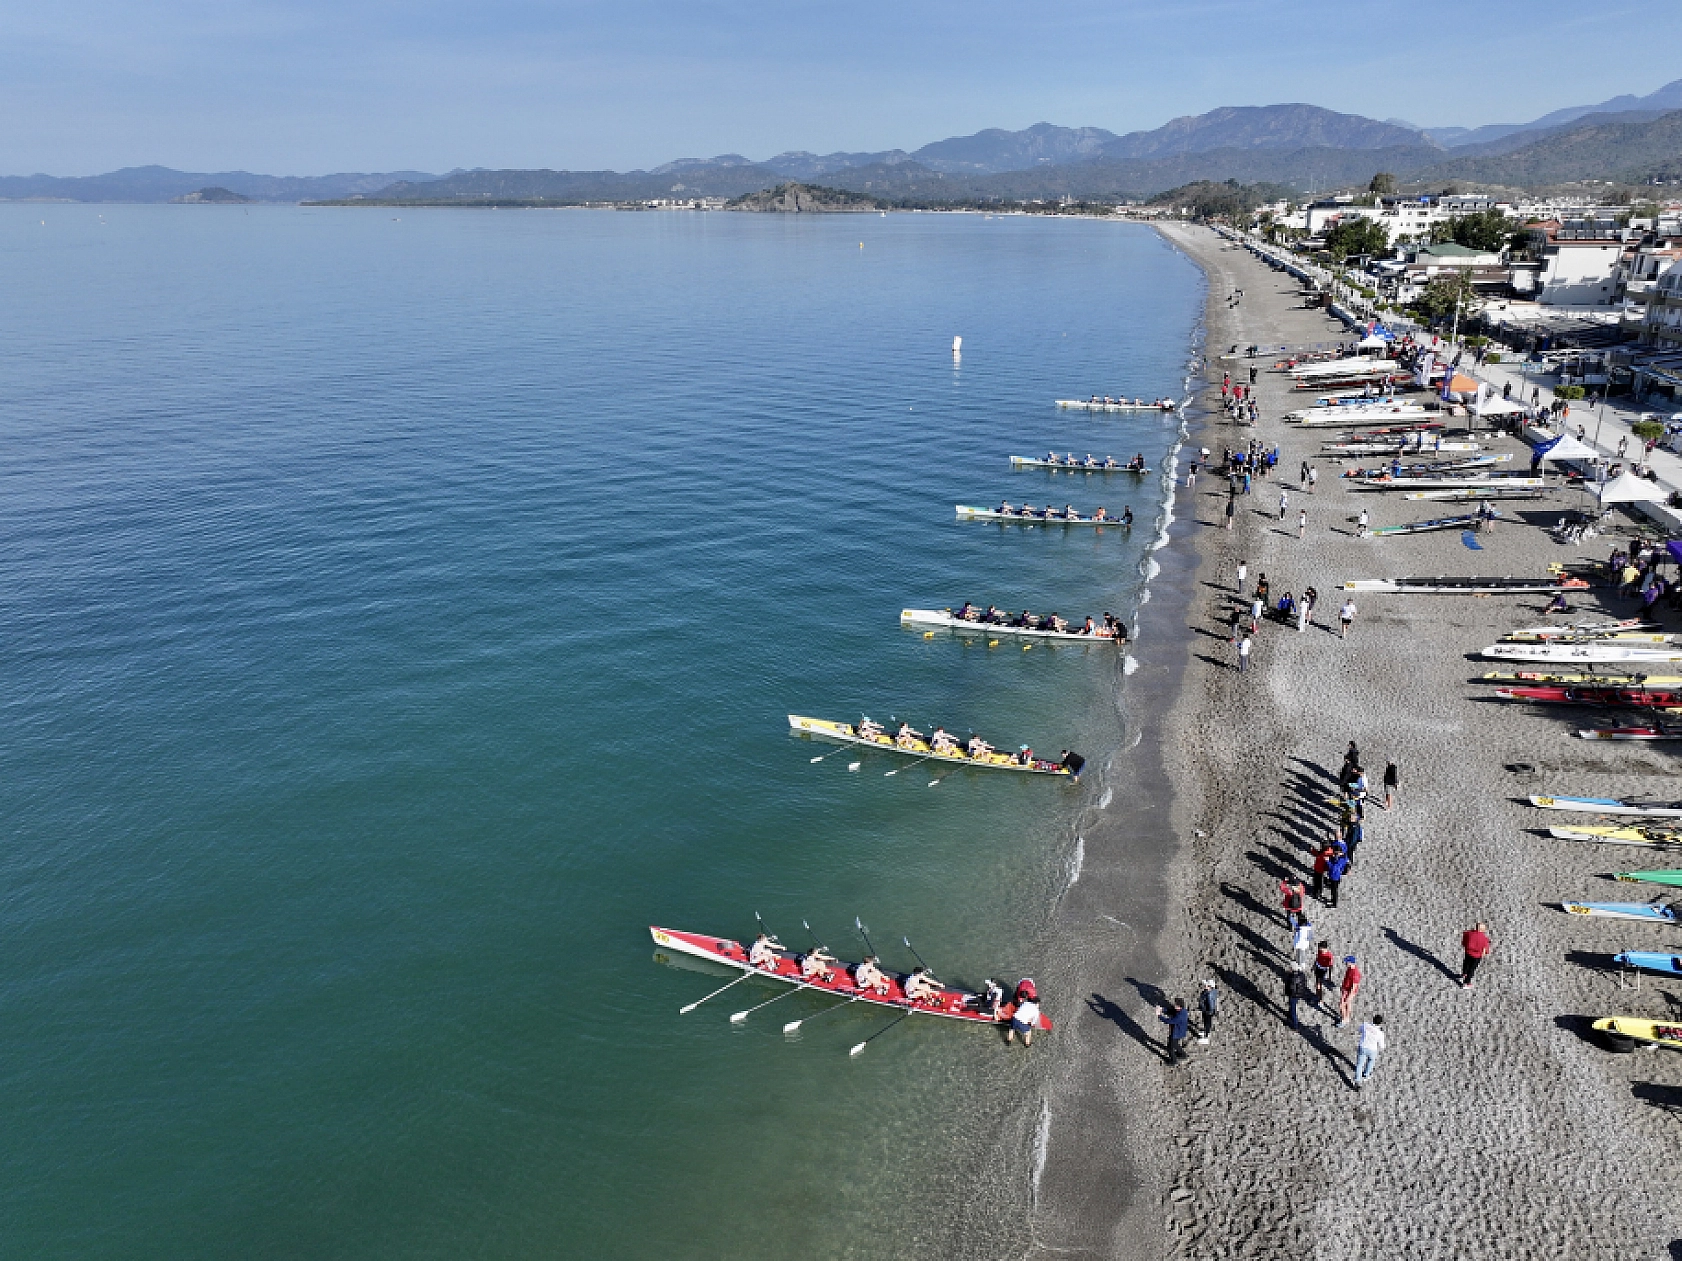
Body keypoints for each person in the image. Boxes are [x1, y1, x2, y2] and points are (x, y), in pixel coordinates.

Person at [1353, 1014, 1386, 1088]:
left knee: (1359, 1065)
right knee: (1371, 1061)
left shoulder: (1365, 1025)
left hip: (1363, 1047)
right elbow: (1382, 1046)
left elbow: (1359, 1030)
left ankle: (1357, 1081)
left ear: (1373, 1019)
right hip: (1372, 1050)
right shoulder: (1380, 1033)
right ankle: (1366, 1075)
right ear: (1380, 1023)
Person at [1155, 998, 1191, 1064]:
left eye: (1175, 1005)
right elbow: (1171, 1011)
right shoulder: (1182, 1011)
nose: (1174, 1005)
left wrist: (1159, 1016)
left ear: (1179, 1006)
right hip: (1180, 1032)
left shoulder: (1180, 1016)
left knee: (1170, 1048)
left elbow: (1169, 1021)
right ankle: (1183, 1055)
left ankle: (1173, 1061)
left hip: (1176, 1033)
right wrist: (1162, 1009)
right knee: (1175, 1044)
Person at [1461, 922, 1492, 988]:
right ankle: (1466, 983)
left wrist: (1465, 945)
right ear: (1482, 930)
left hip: (1468, 952)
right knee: (1472, 969)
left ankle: (1464, 973)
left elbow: (1464, 940)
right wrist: (1484, 954)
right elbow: (1485, 949)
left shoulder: (1469, 933)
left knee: (1466, 963)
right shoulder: (1484, 939)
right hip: (1477, 956)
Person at [1336, 954, 1363, 1028]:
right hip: (1346, 989)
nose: (1345, 963)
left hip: (1349, 991)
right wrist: (1343, 987)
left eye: (1346, 962)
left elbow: (1353, 988)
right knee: (1348, 1004)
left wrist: (1349, 997)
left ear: (1351, 962)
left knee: (1341, 1005)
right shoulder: (1349, 968)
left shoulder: (1355, 974)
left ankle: (1344, 1019)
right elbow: (1346, 978)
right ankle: (1347, 1017)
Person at [1285, 964, 1311, 1030]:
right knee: (1292, 1006)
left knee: (1293, 1010)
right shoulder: (1301, 974)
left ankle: (1295, 1025)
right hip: (1298, 995)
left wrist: (1287, 993)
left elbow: (1291, 989)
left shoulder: (1292, 977)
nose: (1289, 968)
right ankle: (1290, 1014)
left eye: (1290, 967)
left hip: (1293, 996)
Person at [1325, 843, 1350, 908]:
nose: (1334, 854)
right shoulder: (1343, 857)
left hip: (1335, 877)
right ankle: (1333, 900)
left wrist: (1328, 861)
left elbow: (1334, 868)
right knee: (1333, 889)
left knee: (1334, 891)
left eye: (1336, 853)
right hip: (1336, 876)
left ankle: (1334, 903)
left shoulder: (1341, 860)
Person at [1197, 978, 1219, 1045]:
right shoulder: (1211, 991)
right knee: (1207, 1022)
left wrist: (1208, 1011)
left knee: (1207, 1023)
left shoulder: (1209, 994)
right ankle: (1206, 1032)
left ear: (1210, 987)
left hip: (1207, 1011)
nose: (1205, 986)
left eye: (1207, 985)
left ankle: (1206, 1038)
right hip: (1207, 1011)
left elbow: (1211, 1005)